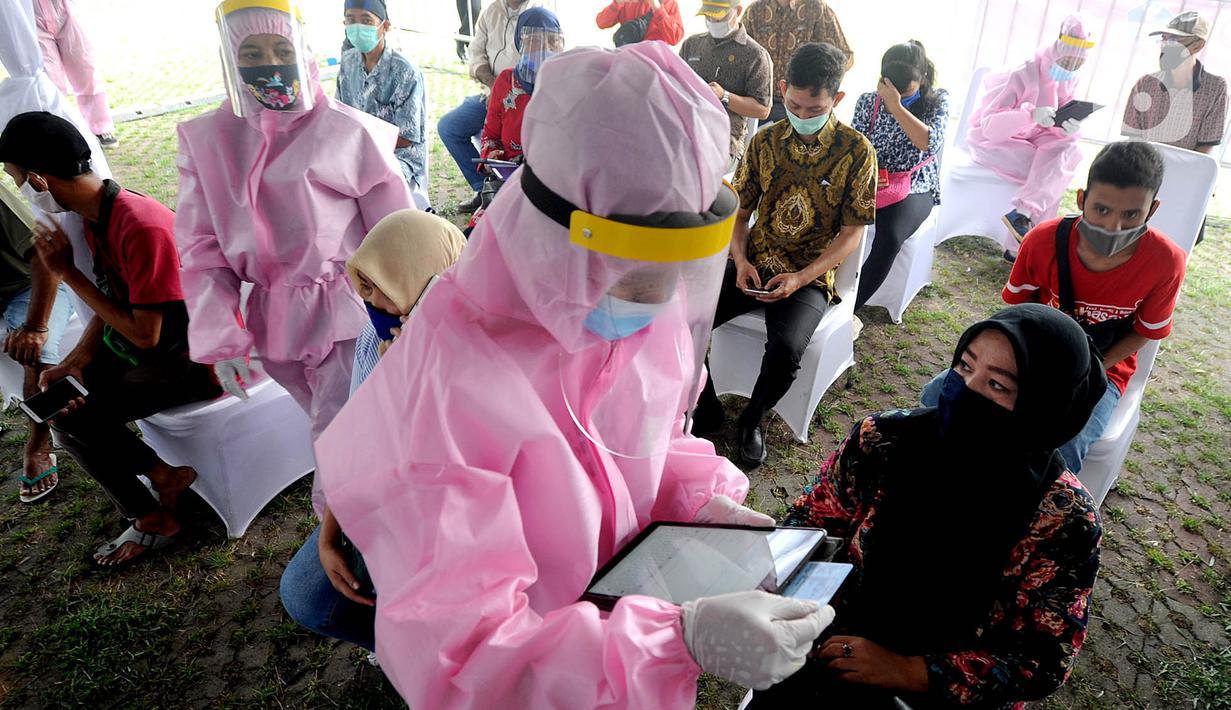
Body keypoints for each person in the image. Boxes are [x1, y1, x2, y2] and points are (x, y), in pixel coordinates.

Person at [314, 43, 833, 709]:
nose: (659, 297)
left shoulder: (628, 317)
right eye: (638, 269)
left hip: (600, 616)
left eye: (678, 269)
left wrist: (698, 506)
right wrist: (673, 643)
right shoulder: (449, 379)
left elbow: (643, 439)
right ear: (560, 237)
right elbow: (467, 660)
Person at [748, 303, 1105, 709]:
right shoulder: (882, 440)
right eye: (965, 367)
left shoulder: (1063, 518)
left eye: (998, 386)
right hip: (828, 649)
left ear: (1044, 407)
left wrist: (908, 670)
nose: (967, 391)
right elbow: (809, 524)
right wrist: (789, 599)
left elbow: (1041, 659)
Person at [175, 1, 413, 517]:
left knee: (340, 430)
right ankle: (362, 517)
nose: (269, 64)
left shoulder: (347, 132)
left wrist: (408, 311)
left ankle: (342, 533)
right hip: (272, 321)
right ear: (229, 58)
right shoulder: (209, 141)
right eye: (251, 52)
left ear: (302, 52)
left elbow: (398, 230)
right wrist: (220, 332)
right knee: (330, 424)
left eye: (281, 49)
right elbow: (201, 247)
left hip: (347, 312)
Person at [0, 112, 223, 565]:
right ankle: (162, 477)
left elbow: (144, 333)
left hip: (199, 361)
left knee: (70, 418)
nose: (17, 189)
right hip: (162, 350)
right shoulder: (98, 213)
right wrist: (78, 360)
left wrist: (68, 273)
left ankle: (155, 507)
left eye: (15, 179)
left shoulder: (138, 225)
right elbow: (116, 299)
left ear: (39, 181)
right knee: (60, 394)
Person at [921, 141, 1186, 475]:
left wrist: (1091, 369)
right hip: (1030, 358)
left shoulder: (1166, 262)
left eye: (1131, 214)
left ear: (1152, 209)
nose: (1113, 227)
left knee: (1064, 447)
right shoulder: (1043, 240)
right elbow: (1019, 313)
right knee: (939, 394)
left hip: (1101, 371)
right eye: (1101, 210)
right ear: (1081, 199)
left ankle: (1032, 512)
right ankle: (935, 473)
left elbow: (1143, 333)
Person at [280, 209, 465, 652]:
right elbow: (359, 441)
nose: (373, 303)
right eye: (363, 287)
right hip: (384, 498)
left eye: (382, 287)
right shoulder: (373, 339)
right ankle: (405, 652)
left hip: (451, 521)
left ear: (427, 278)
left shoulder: (477, 351)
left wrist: (409, 382)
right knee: (306, 596)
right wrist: (329, 535)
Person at [692, 42, 877, 467]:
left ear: (837, 100)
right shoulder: (766, 141)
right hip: (753, 263)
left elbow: (851, 235)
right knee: (685, 318)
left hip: (807, 275)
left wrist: (800, 277)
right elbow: (739, 214)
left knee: (787, 349)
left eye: (814, 109)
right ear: (781, 89)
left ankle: (752, 419)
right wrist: (739, 261)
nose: (802, 115)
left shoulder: (856, 151)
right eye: (793, 104)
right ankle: (707, 404)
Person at [967, 15, 1095, 257]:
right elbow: (990, 126)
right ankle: (1024, 240)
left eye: (1077, 65)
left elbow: (1059, 114)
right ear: (1058, 47)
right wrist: (1029, 116)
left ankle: (1023, 223)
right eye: (1067, 62)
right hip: (998, 141)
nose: (1070, 69)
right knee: (1052, 171)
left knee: (1068, 150)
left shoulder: (1068, 79)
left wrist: (1069, 124)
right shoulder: (1023, 74)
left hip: (1034, 141)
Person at [851, 41, 948, 310]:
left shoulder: (937, 101)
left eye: (907, 91)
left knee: (890, 236)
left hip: (916, 185)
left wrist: (896, 106)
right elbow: (854, 145)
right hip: (872, 179)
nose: (900, 95)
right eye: (893, 89)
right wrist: (868, 174)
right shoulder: (867, 101)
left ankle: (849, 308)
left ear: (923, 78)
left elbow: (928, 142)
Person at [0, 169, 76, 504]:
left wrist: (34, 326)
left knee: (36, 352)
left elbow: (45, 260)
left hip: (33, 283)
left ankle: (40, 441)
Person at [1121, 11, 1225, 245]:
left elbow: (1206, 148)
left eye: (1175, 41)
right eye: (1165, 39)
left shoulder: (1216, 88)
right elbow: (1132, 143)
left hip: (1186, 183)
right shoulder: (1145, 84)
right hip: (1143, 176)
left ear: (1197, 45)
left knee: (1173, 246)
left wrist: (1190, 184)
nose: (1166, 47)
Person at [439, 0, 539, 214]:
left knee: (508, 142)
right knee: (448, 127)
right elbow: (475, 55)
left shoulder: (536, 15)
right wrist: (494, 84)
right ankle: (483, 187)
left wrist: (505, 90)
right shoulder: (491, 12)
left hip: (520, 101)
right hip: (489, 94)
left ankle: (509, 190)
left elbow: (538, 64)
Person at [336, 0, 430, 210]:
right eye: (350, 20)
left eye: (366, 20)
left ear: (385, 26)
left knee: (370, 186)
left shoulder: (404, 71)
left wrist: (365, 148)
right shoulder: (348, 62)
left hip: (398, 157)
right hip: (357, 150)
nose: (357, 26)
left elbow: (406, 138)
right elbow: (340, 116)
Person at [680, 0, 772, 166]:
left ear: (737, 11)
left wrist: (724, 96)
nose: (713, 22)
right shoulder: (692, 45)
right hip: (685, 130)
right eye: (708, 16)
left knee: (691, 166)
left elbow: (762, 109)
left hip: (723, 142)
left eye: (719, 17)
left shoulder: (755, 55)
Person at [744, 0, 853, 123]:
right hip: (760, 103)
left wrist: (824, 94)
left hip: (804, 105)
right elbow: (741, 53)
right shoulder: (755, 10)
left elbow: (843, 57)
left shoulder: (816, 8)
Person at [479, 7, 563, 164]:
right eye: (535, 41)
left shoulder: (570, 82)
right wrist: (492, 159)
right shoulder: (506, 81)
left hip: (557, 177)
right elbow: (490, 137)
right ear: (520, 42)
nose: (546, 48)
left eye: (553, 40)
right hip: (513, 174)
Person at [32, 0, 117, 148]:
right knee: (50, 79)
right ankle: (60, 132)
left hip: (65, 9)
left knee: (85, 70)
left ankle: (100, 127)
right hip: (32, 14)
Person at [596, 0, 684, 47]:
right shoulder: (627, 3)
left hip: (655, 62)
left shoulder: (669, 3)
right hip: (627, 57)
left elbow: (675, 38)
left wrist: (657, 8)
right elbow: (601, 23)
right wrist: (617, 3)